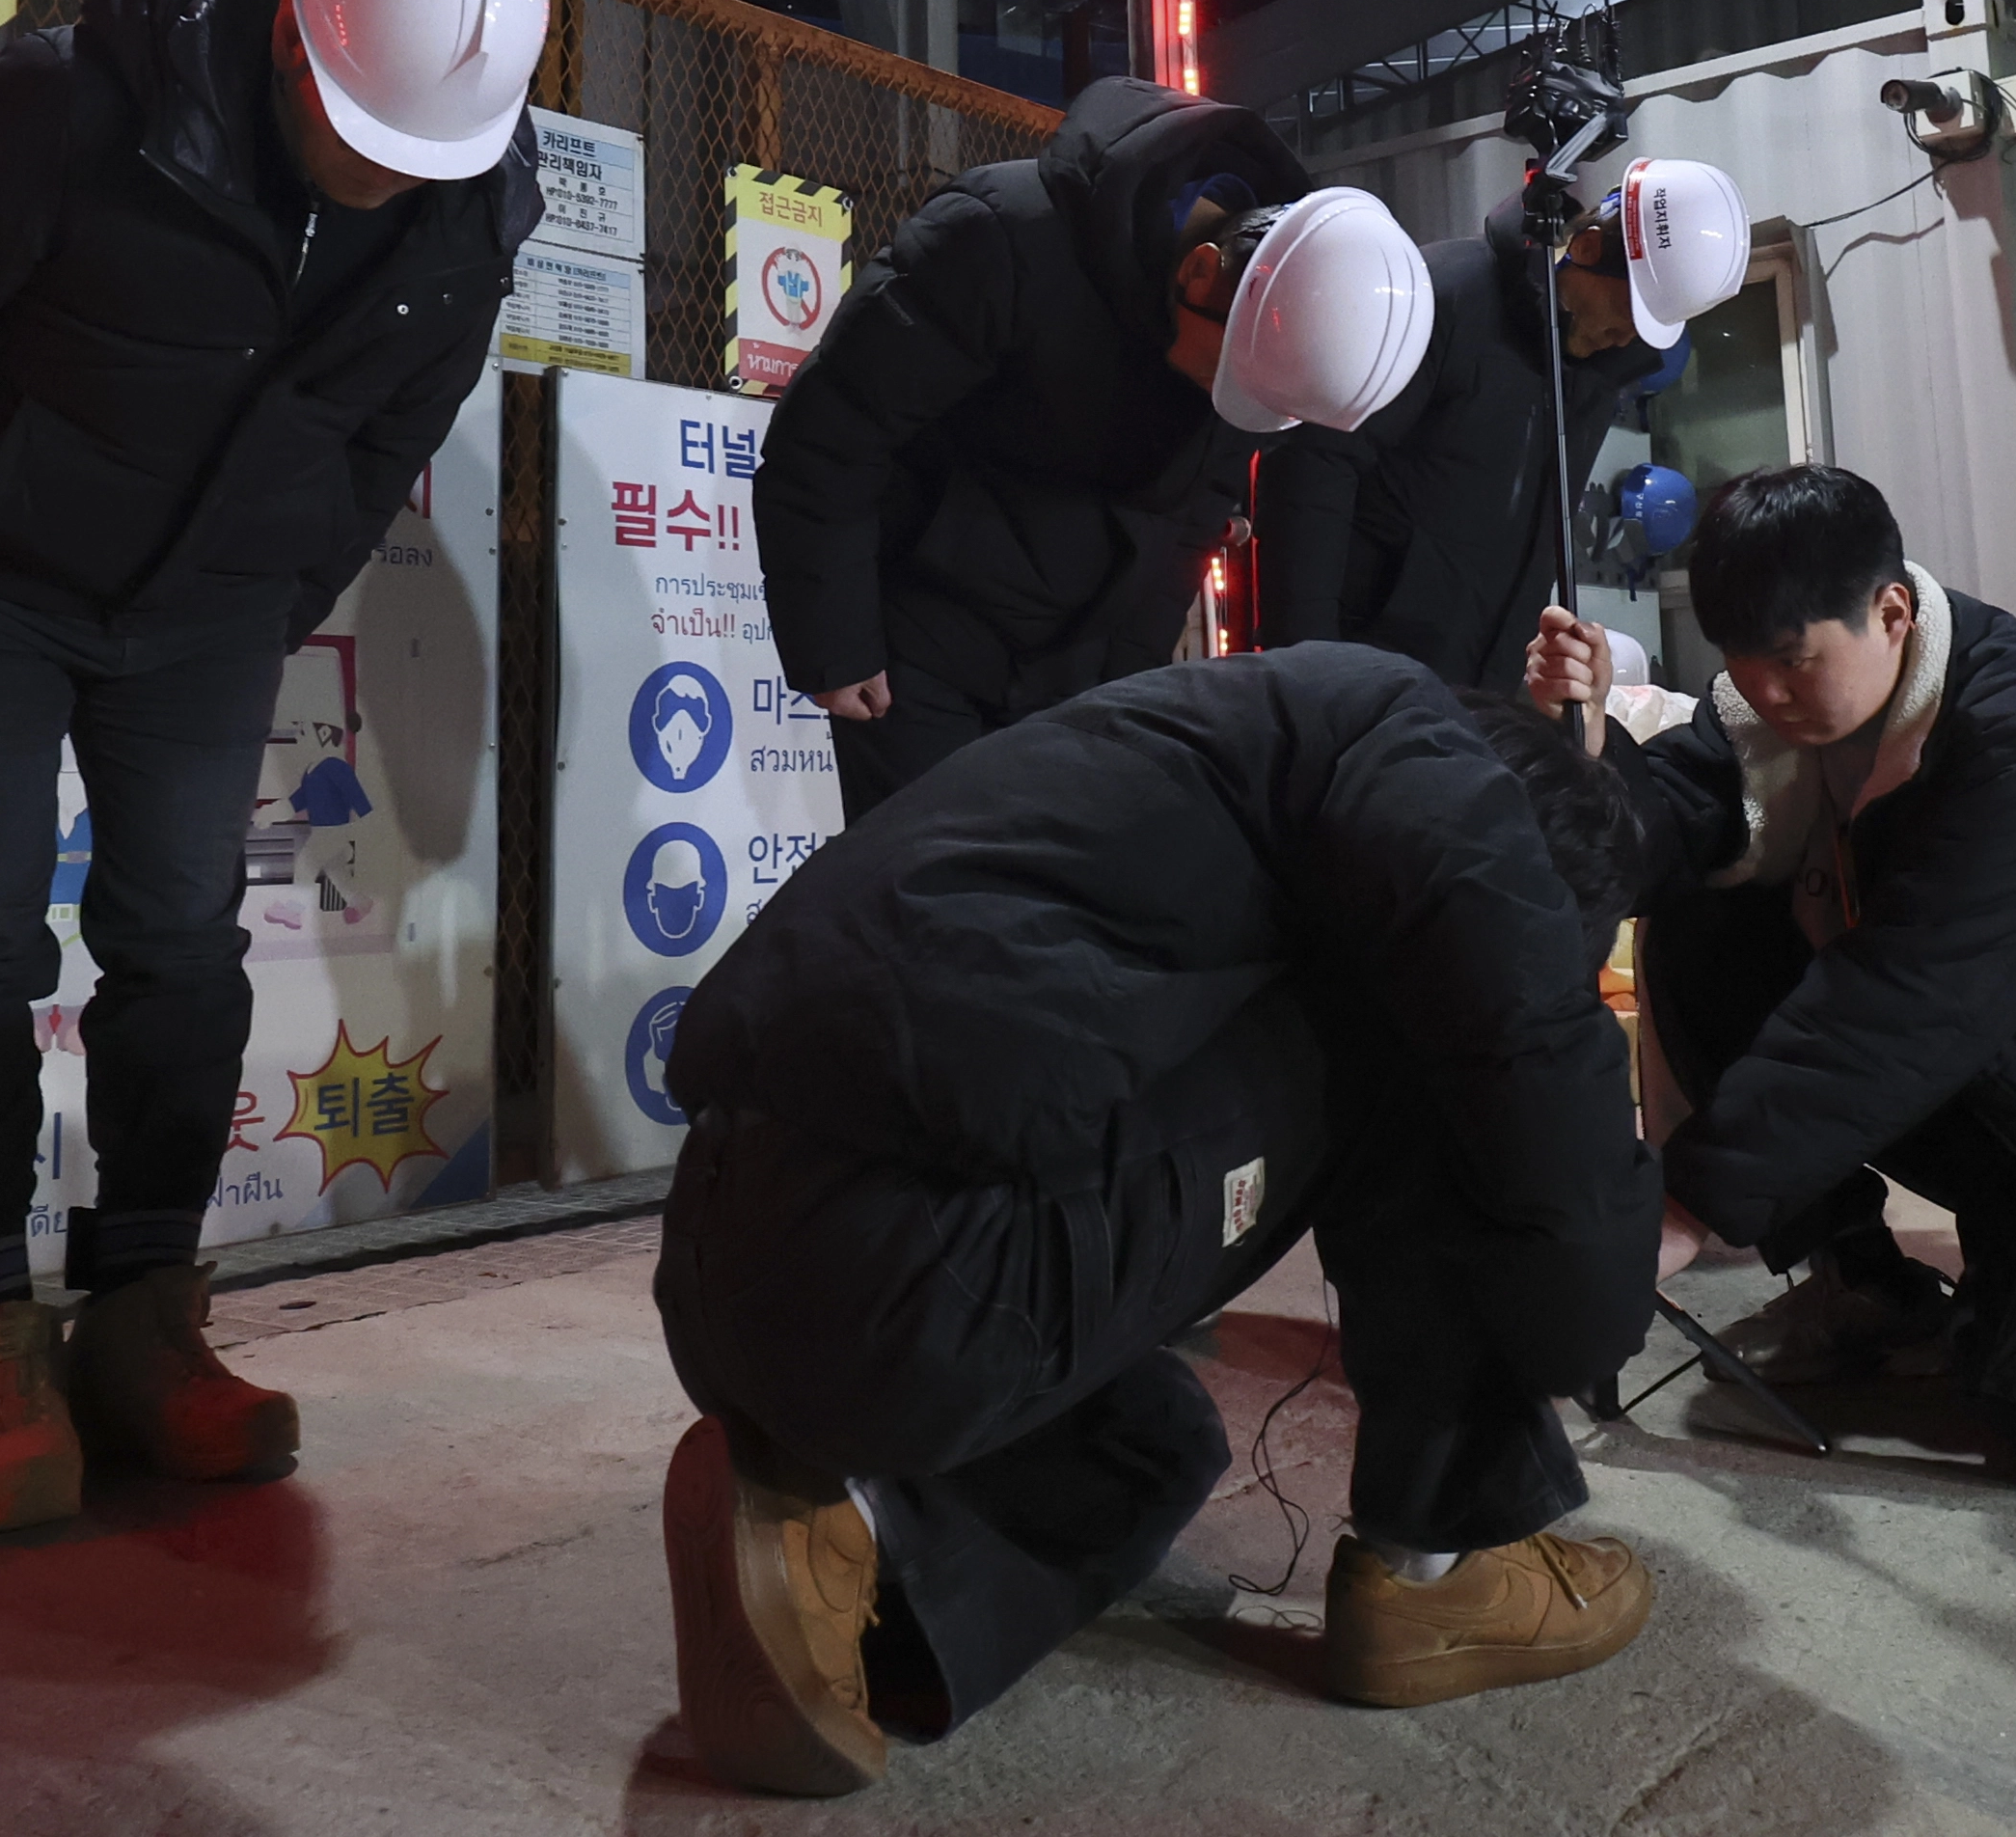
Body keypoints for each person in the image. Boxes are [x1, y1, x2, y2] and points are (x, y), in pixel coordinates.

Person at [0, 0, 549, 1538]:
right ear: (292, 36)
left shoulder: (468, 199)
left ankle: (145, 1316)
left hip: (207, 611)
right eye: (368, 134)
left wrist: (276, 591)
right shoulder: (65, 110)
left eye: (428, 152)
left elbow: (391, 430)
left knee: (181, 940)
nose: (394, 173)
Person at [650, 644, 1685, 1795]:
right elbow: (1535, 1081)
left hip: (734, 1261)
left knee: (1151, 1447)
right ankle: (1436, 1571)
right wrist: (1582, 1321)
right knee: (1439, 1055)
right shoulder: (1430, 770)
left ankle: (847, 1531)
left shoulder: (1240, 730)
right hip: (915, 1278)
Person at [1534, 463, 2016, 1493]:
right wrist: (1585, 747)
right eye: (1741, 663)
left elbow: (1891, 1012)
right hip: (1988, 1088)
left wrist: (1678, 1212)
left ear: (1891, 612)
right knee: (1706, 908)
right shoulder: (1770, 709)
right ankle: (1866, 1281)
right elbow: (1665, 833)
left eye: (1793, 660)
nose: (1766, 692)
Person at [753, 78, 1431, 819]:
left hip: (1076, 677)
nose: (1224, 399)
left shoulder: (1265, 338)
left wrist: (1123, 690)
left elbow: (1185, 528)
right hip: (921, 650)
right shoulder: (1002, 236)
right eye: (1224, 373)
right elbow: (834, 431)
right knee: (925, 876)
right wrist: (838, 642)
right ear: (1201, 271)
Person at [1251, 180, 1669, 689]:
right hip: (1363, 671)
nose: (1627, 338)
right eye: (1629, 312)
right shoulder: (1443, 296)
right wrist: (1306, 664)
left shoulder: (1592, 370)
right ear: (1586, 248)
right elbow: (1315, 463)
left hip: (1476, 689)